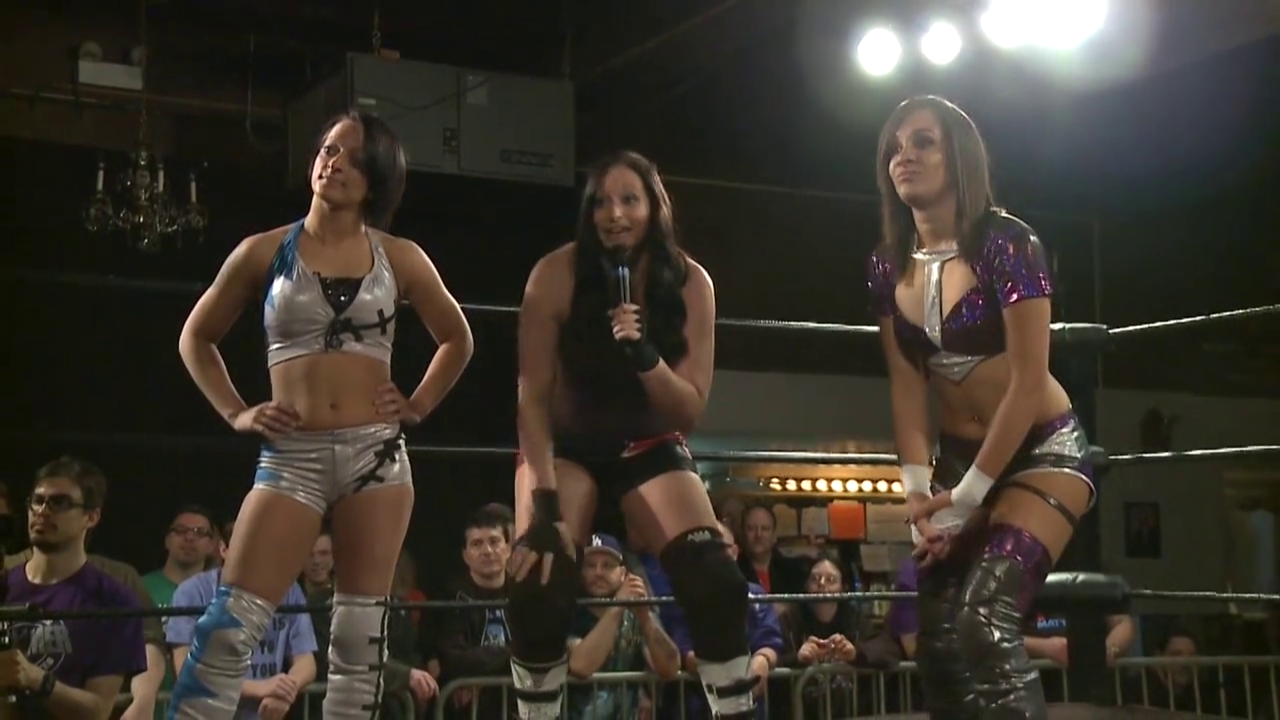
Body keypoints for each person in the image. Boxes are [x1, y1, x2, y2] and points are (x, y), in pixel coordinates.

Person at [171, 109, 474, 719]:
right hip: (292, 456)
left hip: (376, 456)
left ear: (376, 179)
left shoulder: (399, 257)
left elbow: (457, 338)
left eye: (354, 158)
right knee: (226, 630)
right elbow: (195, 337)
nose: (334, 163)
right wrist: (236, 412)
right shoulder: (263, 251)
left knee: (360, 644)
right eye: (329, 149)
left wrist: (417, 403)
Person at [867, 95, 1095, 719]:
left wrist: (967, 499)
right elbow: (906, 384)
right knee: (938, 634)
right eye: (894, 149)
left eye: (923, 142)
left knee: (985, 620)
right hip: (957, 458)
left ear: (959, 157)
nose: (904, 157)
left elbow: (1028, 381)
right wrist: (918, 494)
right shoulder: (886, 264)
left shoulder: (1008, 243)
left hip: (1040, 449)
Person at [510, 150, 755, 719]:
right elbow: (532, 395)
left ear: (654, 208)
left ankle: (735, 711)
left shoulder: (690, 282)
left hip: (648, 443)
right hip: (567, 446)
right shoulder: (556, 273)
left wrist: (645, 356)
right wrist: (543, 503)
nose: (613, 214)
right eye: (601, 201)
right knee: (539, 580)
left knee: (716, 581)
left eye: (628, 200)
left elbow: (688, 412)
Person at [2, 457, 147, 720]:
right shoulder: (4, 587)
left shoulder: (113, 600)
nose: (42, 511)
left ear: (91, 517)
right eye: (37, 501)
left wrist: (36, 678)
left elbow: (97, 711)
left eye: (59, 503)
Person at [168, 521, 318, 720]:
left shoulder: (288, 590)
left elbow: (306, 662)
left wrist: (284, 692)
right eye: (247, 549)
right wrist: (260, 688)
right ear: (223, 549)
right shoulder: (191, 592)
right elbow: (186, 671)